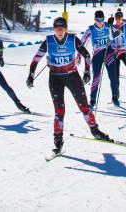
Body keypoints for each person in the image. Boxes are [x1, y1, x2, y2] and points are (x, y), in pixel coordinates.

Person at [26, 16, 111, 154]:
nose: (60, 31)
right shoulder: (48, 41)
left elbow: (87, 55)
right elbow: (36, 58)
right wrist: (31, 75)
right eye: (57, 28)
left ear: (66, 29)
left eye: (62, 28)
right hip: (55, 78)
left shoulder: (73, 40)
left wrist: (87, 71)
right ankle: (58, 141)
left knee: (84, 106)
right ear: (54, 29)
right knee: (59, 111)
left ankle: (95, 130)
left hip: (72, 76)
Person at [80, 10, 119, 109]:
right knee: (96, 78)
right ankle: (92, 100)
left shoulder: (108, 26)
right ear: (95, 20)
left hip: (109, 53)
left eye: (102, 19)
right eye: (98, 20)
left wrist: (117, 48)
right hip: (97, 55)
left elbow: (118, 35)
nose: (100, 22)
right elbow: (82, 42)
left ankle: (115, 97)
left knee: (113, 76)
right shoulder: (91, 29)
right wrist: (78, 55)